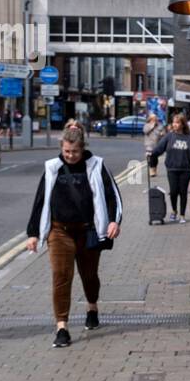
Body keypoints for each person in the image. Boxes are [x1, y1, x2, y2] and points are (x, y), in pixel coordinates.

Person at [25, 123, 123, 348]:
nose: (70, 155)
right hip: (59, 231)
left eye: (74, 151)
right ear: (62, 147)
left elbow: (112, 196)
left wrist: (113, 221)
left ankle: (92, 306)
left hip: (88, 230)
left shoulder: (97, 165)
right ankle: (62, 327)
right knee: (61, 276)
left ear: (83, 148)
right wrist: (32, 233)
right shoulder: (52, 167)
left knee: (89, 276)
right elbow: (41, 201)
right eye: (66, 151)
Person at [150, 112, 190, 223]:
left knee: (183, 192)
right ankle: (174, 210)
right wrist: (152, 154)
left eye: (177, 123)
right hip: (172, 169)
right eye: (173, 122)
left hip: (186, 170)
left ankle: (182, 215)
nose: (174, 124)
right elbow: (159, 148)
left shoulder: (189, 138)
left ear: (183, 124)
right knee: (173, 191)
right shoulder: (169, 136)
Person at [142, 112, 165, 177]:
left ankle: (154, 169)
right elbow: (145, 131)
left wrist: (162, 134)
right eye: (153, 119)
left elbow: (163, 132)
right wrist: (152, 126)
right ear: (150, 119)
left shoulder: (160, 125)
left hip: (157, 144)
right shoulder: (147, 125)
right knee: (150, 157)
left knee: (155, 157)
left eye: (155, 119)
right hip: (149, 144)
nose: (154, 120)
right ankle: (151, 170)